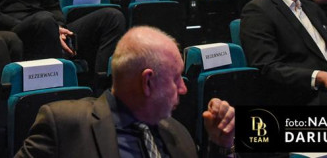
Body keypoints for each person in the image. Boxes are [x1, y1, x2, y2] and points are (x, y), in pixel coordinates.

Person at [17, 26, 235, 158]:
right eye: (175, 79)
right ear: (147, 82)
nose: (184, 88)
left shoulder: (178, 134)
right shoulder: (65, 125)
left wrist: (220, 145)